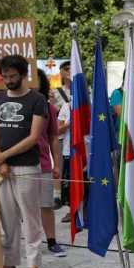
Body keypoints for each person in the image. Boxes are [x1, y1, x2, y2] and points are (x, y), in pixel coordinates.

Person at [0, 54, 49, 268]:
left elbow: (34, 137)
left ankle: (34, 264)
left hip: (26, 166)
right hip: (1, 167)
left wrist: (3, 156)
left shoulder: (37, 99)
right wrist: (0, 161)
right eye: (5, 76)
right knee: (7, 217)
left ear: (23, 74)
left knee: (30, 217)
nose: (8, 80)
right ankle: (9, 263)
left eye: (12, 75)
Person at [35, 69, 66, 257]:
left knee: (46, 203)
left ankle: (52, 241)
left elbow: (53, 137)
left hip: (43, 162)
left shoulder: (46, 106)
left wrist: (56, 164)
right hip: (17, 164)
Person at [54, 61, 72, 213]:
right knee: (61, 166)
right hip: (62, 136)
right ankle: (59, 195)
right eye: (66, 69)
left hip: (78, 137)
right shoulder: (56, 92)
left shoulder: (87, 91)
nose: (70, 71)